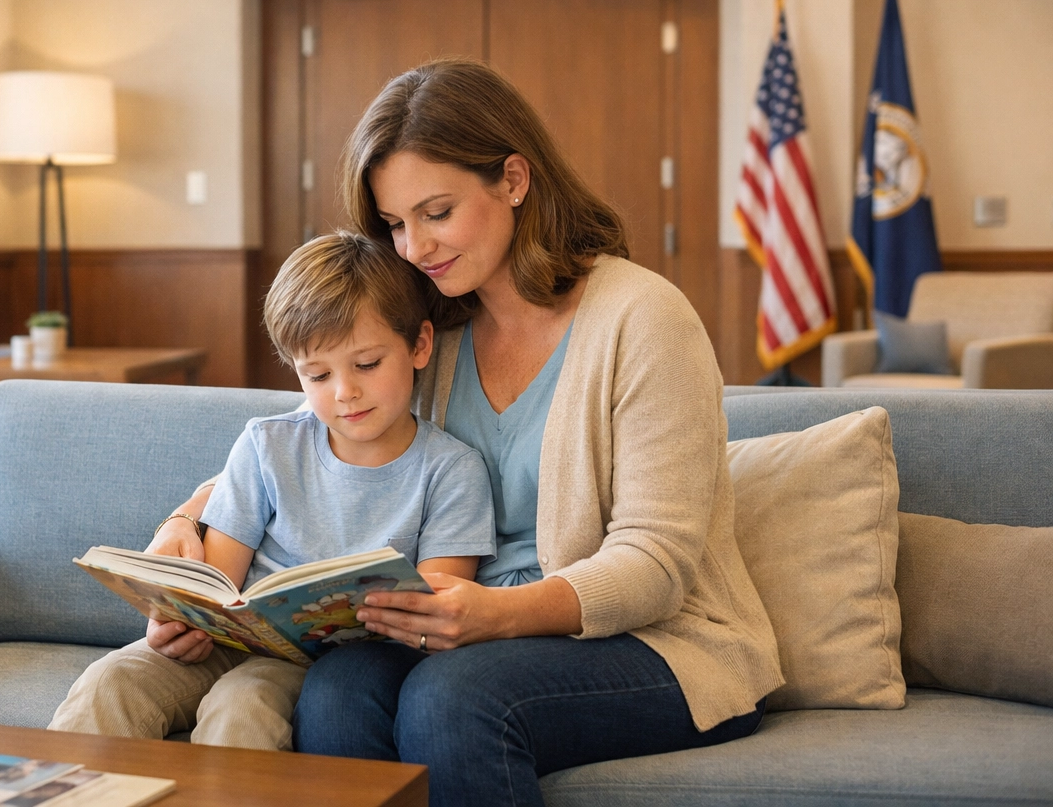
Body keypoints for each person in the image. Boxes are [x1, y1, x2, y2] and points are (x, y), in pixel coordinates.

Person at [148, 60, 783, 806]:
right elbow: (313, 437)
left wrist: (494, 615)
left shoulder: (643, 319)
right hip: (455, 623)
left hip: (657, 645)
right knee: (336, 692)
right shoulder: (434, 326)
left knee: (454, 701)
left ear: (513, 180)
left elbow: (656, 564)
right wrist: (185, 523)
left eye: (436, 212)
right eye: (393, 223)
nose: (413, 247)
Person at [49, 230, 496, 751]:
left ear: (419, 345)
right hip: (229, 640)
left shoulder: (452, 471)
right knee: (109, 683)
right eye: (317, 374)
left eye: (367, 365)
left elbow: (437, 612)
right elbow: (218, 579)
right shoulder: (268, 445)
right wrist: (179, 622)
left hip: (326, 664)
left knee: (243, 707)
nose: (344, 392)